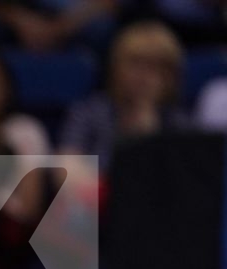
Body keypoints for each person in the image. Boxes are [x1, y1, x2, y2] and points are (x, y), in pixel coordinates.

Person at [58, 20, 188, 173]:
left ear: (172, 77)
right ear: (116, 67)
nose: (145, 76)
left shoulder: (180, 124)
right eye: (136, 64)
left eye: (156, 67)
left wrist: (148, 124)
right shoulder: (88, 114)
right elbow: (66, 170)